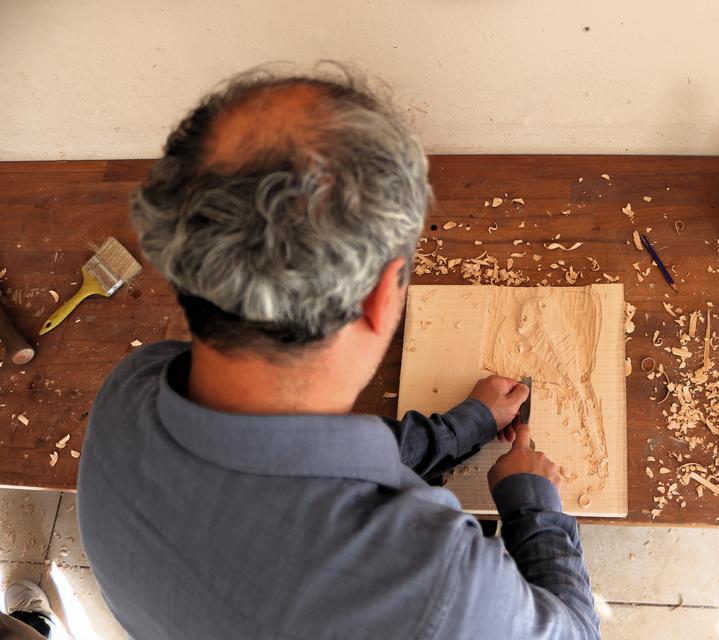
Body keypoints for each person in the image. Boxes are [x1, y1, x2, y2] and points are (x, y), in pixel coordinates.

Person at [77, 65, 599, 639]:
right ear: (383, 296)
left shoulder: (131, 386)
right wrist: (535, 508)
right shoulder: (437, 580)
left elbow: (302, 459)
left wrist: (463, 427)